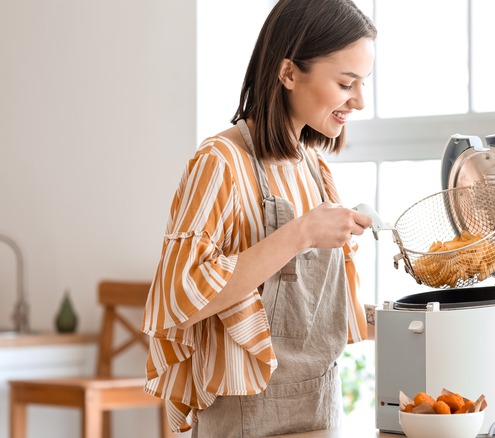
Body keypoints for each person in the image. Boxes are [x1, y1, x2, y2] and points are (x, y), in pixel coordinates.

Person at [141, 0, 377, 435]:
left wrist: (395, 319)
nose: (359, 101)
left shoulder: (315, 169)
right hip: (247, 417)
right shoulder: (221, 162)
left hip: (322, 405)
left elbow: (304, 310)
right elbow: (178, 298)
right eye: (347, 83)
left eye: (363, 84)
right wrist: (301, 233)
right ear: (288, 74)